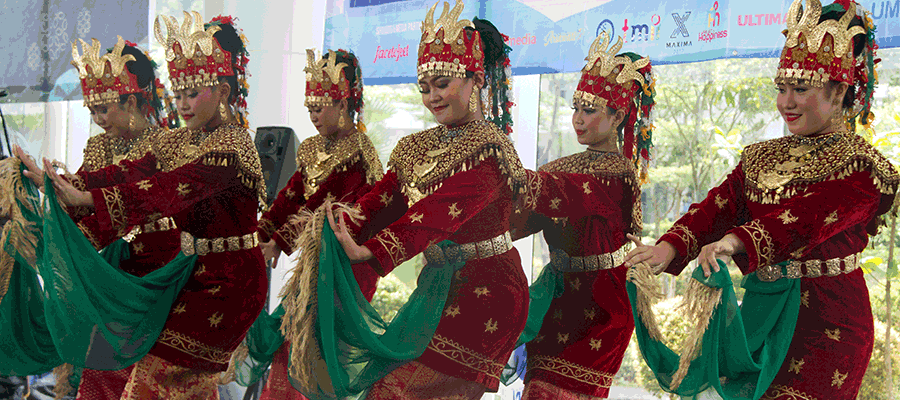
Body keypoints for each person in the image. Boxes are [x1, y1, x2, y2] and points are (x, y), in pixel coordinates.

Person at [624, 1, 897, 398]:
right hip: (760, 311)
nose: (786, 102)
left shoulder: (862, 167)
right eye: (781, 89)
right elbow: (717, 207)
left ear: (838, 92)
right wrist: (667, 249)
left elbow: (805, 218)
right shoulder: (760, 156)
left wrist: (735, 241)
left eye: (801, 89)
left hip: (828, 321)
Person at [17, 12, 266, 400]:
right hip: (191, 276)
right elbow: (126, 174)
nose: (182, 104)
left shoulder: (231, 146)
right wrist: (57, 182)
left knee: (153, 382)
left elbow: (166, 190)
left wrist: (86, 199)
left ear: (223, 93)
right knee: (180, 387)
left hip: (229, 285)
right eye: (178, 93)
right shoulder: (180, 142)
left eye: (193, 93)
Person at [307, 0, 531, 397]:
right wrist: (344, 221)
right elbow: (384, 200)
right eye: (425, 88)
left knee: (398, 391)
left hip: (488, 291)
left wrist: (372, 251)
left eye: (442, 84)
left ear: (475, 78)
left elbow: (438, 212)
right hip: (439, 284)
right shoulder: (415, 146)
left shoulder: (492, 151)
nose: (431, 97)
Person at [509, 32, 653, 399]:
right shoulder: (560, 167)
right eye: (576, 108)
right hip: (556, 300)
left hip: (601, 306)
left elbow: (567, 193)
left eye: (589, 110)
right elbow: (524, 220)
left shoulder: (617, 173)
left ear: (618, 115)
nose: (577, 119)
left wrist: (505, 171)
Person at [50, 35, 183, 400]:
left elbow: (145, 200)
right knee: (100, 375)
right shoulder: (99, 146)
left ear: (131, 100)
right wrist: (47, 189)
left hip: (153, 274)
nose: (97, 120)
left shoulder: (166, 145)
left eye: (103, 109)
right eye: (92, 111)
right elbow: (79, 196)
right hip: (109, 277)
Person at [256, 48, 383, 400]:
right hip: (315, 267)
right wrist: (263, 231)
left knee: (321, 353)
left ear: (343, 104)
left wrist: (279, 241)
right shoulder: (312, 148)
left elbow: (322, 205)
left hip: (342, 272)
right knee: (293, 343)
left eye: (319, 107)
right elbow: (293, 195)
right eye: (309, 108)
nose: (312, 116)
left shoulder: (359, 152)